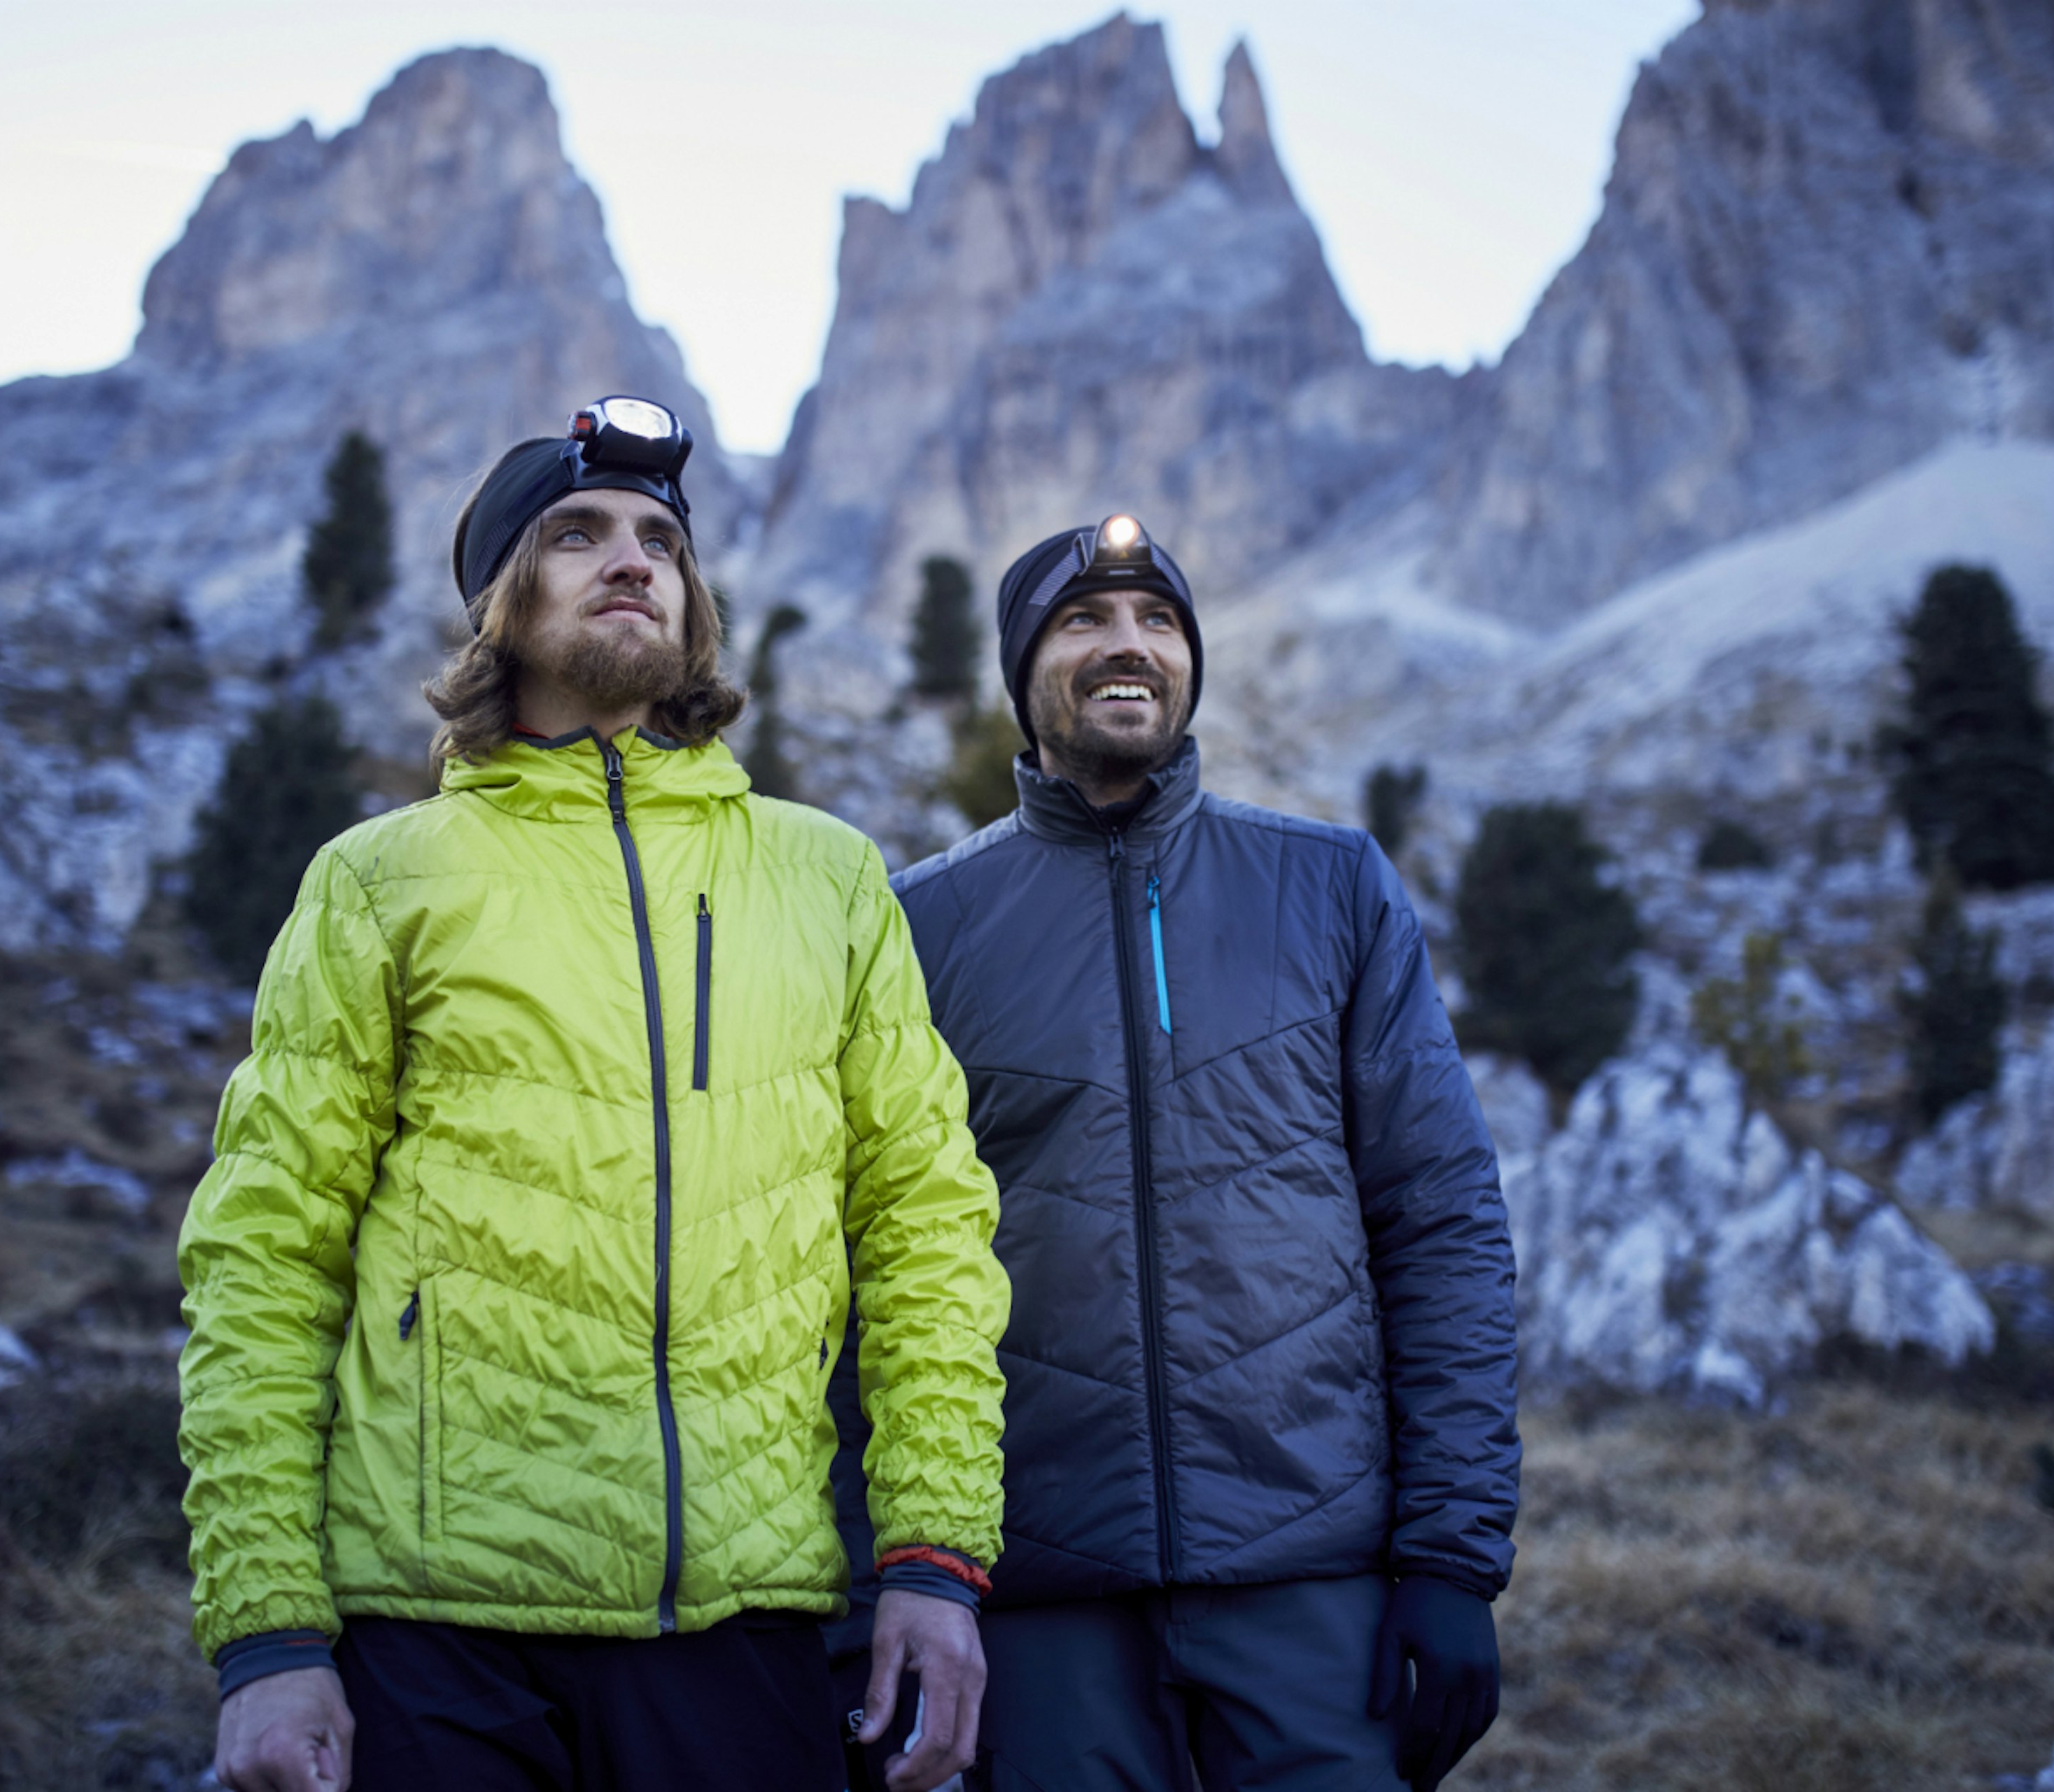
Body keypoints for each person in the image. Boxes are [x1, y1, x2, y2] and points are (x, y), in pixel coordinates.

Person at [178, 397, 1009, 1792]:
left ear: (691, 607)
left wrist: (934, 1558)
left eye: (661, 542)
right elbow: (263, 1264)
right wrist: (267, 1635)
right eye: (578, 535)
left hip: (743, 1623)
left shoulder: (826, 878)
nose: (631, 559)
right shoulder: (380, 882)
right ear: (505, 604)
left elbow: (926, 1235)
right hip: (435, 1638)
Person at [847, 514, 1520, 1791]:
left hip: (1311, 1584)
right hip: (1040, 1598)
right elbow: (867, 1266)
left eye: (1159, 619)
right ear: (1023, 674)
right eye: (1086, 619)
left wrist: (1451, 1555)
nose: (1131, 645)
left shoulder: (1329, 887)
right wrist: (874, 1588)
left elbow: (1440, 1223)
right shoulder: (915, 925)